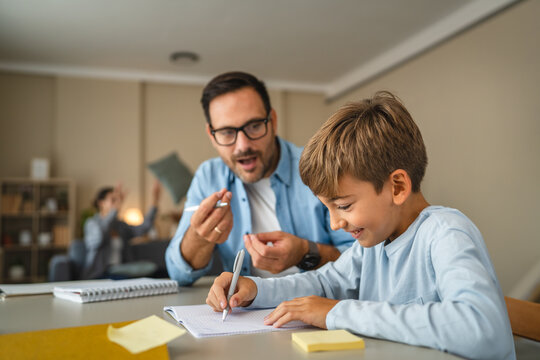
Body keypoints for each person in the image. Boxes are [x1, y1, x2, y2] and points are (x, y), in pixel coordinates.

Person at [206, 91, 515, 360]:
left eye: (343, 206)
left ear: (397, 187)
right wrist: (255, 288)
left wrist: (336, 312)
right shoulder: (374, 242)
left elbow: (481, 330)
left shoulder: (446, 234)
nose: (335, 222)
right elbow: (324, 284)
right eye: (328, 208)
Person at [166, 71, 354, 286]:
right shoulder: (209, 177)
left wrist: (305, 253)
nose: (243, 145)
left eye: (254, 126)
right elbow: (178, 273)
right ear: (212, 135)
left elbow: (362, 260)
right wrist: (200, 236)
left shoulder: (320, 166)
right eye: (227, 132)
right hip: (244, 312)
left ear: (272, 121)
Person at [82, 181, 161, 279]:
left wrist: (155, 200)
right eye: (113, 200)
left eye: (117, 200)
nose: (117, 203)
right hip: (100, 273)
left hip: (120, 270)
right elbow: (100, 238)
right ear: (101, 203)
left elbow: (143, 229)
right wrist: (114, 211)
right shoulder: (92, 223)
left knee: (159, 271)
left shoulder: (119, 225)